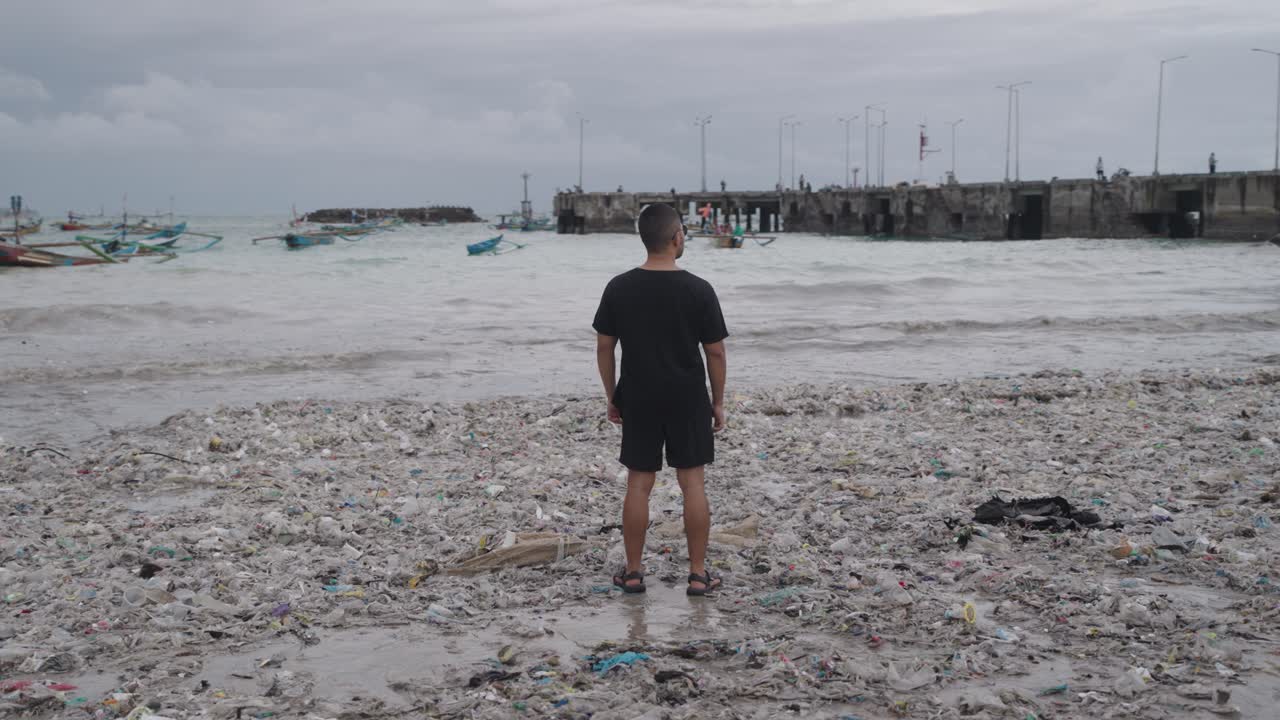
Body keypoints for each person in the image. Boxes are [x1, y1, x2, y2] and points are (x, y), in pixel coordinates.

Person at [593, 203, 727, 597]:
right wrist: (717, 402)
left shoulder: (619, 286)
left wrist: (611, 394)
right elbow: (715, 353)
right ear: (677, 238)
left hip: (639, 393)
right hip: (687, 396)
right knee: (693, 483)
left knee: (639, 484)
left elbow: (605, 346)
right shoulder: (699, 289)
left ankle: (633, 573)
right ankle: (698, 575)